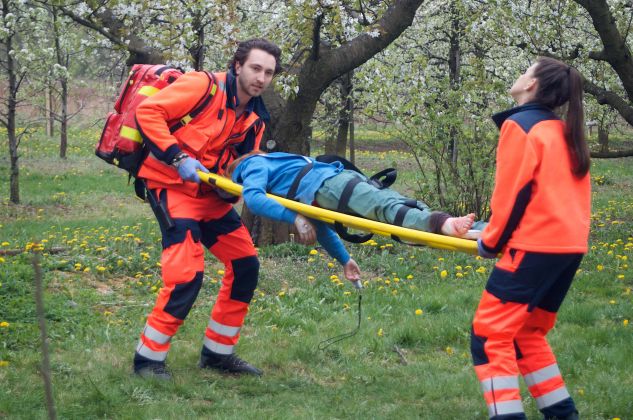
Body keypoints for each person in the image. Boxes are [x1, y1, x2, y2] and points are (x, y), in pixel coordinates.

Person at [132, 38, 282, 379]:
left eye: (269, 73)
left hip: (210, 198)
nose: (261, 78)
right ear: (238, 66)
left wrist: (239, 188)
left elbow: (240, 167)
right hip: (171, 187)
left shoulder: (255, 121)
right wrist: (178, 157)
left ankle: (218, 354)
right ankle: (148, 360)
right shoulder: (202, 86)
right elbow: (148, 112)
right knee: (186, 275)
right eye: (256, 68)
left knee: (245, 266)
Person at [471, 57, 591, 420]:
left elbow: (512, 194)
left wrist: (489, 242)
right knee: (527, 334)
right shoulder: (562, 129)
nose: (518, 74)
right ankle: (563, 415)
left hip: (534, 248)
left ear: (532, 85)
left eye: (525, 71)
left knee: (489, 337)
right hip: (567, 247)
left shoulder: (521, 126)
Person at [226, 152, 483, 267]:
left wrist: (294, 218)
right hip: (333, 188)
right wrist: (345, 261)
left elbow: (255, 199)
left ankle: (444, 224)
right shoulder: (285, 180)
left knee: (386, 209)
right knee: (399, 211)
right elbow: (323, 228)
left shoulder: (251, 165)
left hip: (332, 186)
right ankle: (479, 229)